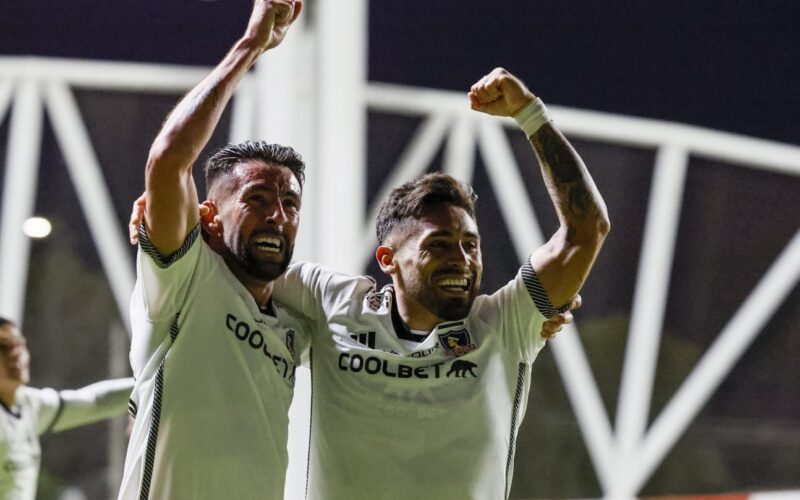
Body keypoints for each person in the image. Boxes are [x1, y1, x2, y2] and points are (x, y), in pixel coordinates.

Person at [271, 67, 609, 499]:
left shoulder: (505, 323)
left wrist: (530, 114)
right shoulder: (330, 302)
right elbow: (239, 257)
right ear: (388, 259)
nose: (462, 259)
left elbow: (587, 229)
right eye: (440, 244)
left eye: (471, 244)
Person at [116, 1, 309, 499]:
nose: (278, 215)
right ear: (207, 216)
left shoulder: (297, 319)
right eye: (258, 199)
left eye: (290, 203)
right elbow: (168, 162)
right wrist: (250, 47)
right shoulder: (185, 275)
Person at [0, 317, 134, 500]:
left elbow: (94, 402)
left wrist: (145, 387)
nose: (17, 354)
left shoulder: (28, 405)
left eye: (20, 346)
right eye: (5, 348)